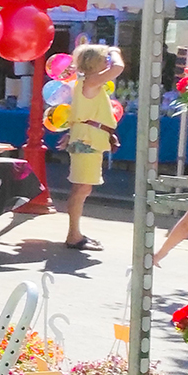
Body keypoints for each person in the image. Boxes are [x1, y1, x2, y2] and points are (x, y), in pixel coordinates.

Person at [63, 42, 124, 252]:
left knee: (81, 188)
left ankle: (75, 232)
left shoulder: (85, 82)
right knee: (81, 188)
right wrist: (114, 51)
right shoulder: (91, 81)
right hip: (88, 140)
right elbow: (118, 68)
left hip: (87, 138)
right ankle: (74, 235)